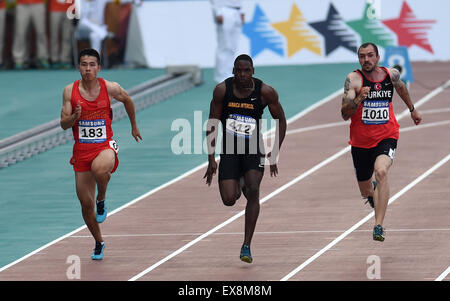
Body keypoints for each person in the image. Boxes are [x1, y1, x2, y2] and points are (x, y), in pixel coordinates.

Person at [60, 48, 142, 260]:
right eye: (84, 65)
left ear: (98, 68)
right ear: (79, 67)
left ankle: (102, 198)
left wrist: (134, 126)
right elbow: (63, 124)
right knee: (85, 205)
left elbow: (128, 100)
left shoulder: (109, 87)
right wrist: (74, 117)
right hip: (81, 151)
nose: (88, 69)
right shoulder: (70, 91)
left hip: (104, 145)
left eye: (92, 65)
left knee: (100, 168)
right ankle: (99, 241)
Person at [204, 54, 286, 263]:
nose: (242, 74)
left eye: (246, 70)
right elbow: (212, 123)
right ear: (233, 71)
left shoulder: (265, 92)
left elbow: (281, 120)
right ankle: (240, 182)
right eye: (238, 70)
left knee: (254, 190)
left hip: (253, 149)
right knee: (229, 200)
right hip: (230, 150)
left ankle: (246, 245)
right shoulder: (223, 90)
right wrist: (211, 158)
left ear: (253, 71)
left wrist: (275, 151)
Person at [341, 42, 422, 242]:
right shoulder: (353, 79)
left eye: (370, 55)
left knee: (382, 171)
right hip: (360, 142)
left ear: (377, 57)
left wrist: (412, 110)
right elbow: (344, 113)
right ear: (359, 59)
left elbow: (401, 88)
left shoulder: (391, 74)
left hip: (387, 135)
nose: (366, 60)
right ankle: (372, 195)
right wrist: (359, 98)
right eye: (362, 56)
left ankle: (378, 225)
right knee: (365, 189)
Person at [210, 0, 244, 84]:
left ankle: (229, 75)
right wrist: (218, 12)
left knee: (232, 47)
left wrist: (242, 11)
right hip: (224, 10)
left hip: (237, 10)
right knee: (224, 46)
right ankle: (221, 78)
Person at [12, 0, 50, 69]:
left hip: (38, 3)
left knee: (41, 32)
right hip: (22, 4)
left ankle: (43, 57)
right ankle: (18, 59)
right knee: (20, 33)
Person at [49, 0, 74, 69]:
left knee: (67, 36)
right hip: (55, 8)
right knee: (54, 36)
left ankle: (65, 60)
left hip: (69, 8)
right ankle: (54, 60)